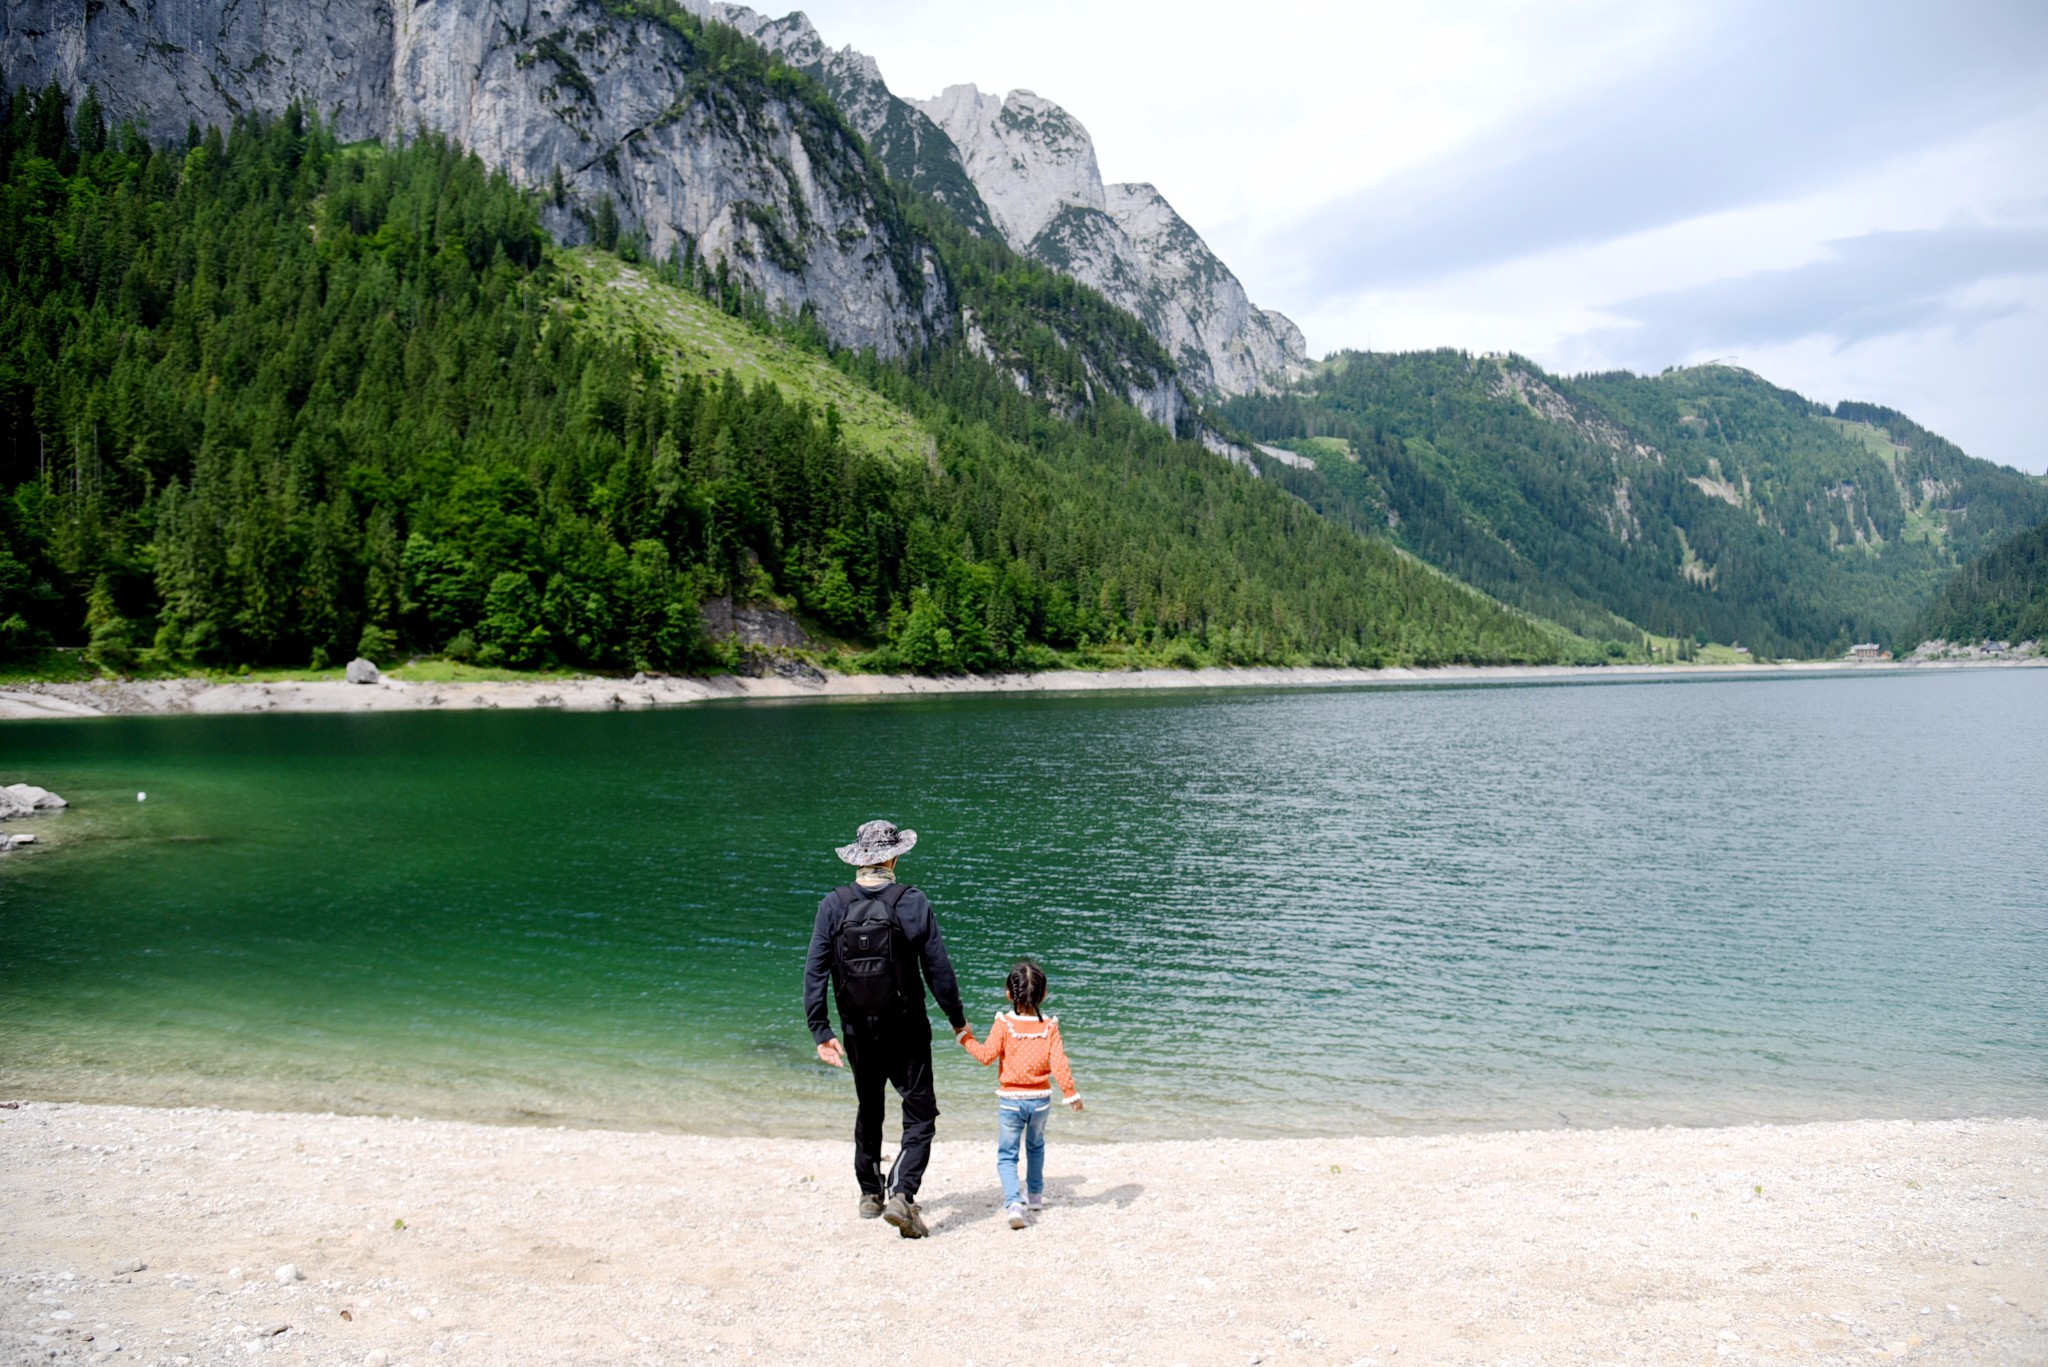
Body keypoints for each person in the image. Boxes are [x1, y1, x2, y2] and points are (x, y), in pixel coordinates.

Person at [803, 818, 970, 1239]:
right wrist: (958, 1021)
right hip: (907, 1028)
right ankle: (903, 1191)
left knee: (869, 1105)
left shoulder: (833, 904)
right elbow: (939, 969)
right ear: (894, 857)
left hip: (857, 1029)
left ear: (860, 860)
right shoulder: (910, 901)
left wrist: (821, 1030)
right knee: (920, 1112)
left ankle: (869, 1193)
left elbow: (814, 971)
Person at [958, 958, 1083, 1230]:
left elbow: (986, 1056)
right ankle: (1035, 1196)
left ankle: (1015, 1203)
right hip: (1040, 1102)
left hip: (1010, 1103)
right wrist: (1071, 1093)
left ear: (1008, 994)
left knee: (1007, 1154)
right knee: (1036, 1146)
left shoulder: (1004, 1024)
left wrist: (964, 1037)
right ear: (1044, 994)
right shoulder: (1050, 1027)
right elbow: (1059, 1061)